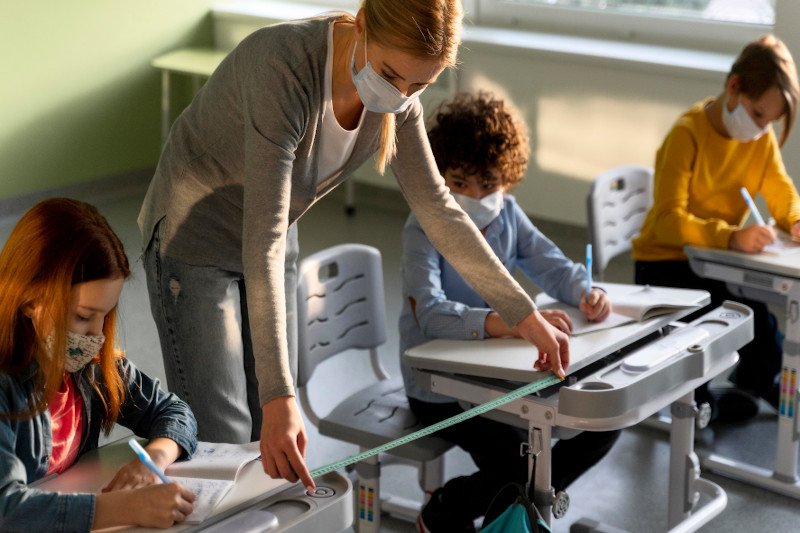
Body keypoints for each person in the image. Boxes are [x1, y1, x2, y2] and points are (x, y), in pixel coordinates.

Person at [138, 0, 571, 490]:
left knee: (275, 428)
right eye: (390, 74)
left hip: (274, 233)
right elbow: (261, 243)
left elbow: (440, 212)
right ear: (361, 22)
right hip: (197, 237)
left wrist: (524, 315)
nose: (400, 95)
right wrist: (279, 395)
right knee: (226, 432)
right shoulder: (283, 68)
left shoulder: (398, 98)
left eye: (420, 85)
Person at [398, 92, 620, 532]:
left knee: (601, 423)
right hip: (439, 390)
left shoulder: (509, 216)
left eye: (489, 184)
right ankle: (447, 508)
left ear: (508, 180)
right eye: (459, 182)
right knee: (523, 463)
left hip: (497, 377)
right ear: (439, 177)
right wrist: (515, 324)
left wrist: (586, 290)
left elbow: (552, 265)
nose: (474, 197)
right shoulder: (422, 226)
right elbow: (431, 314)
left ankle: (521, 511)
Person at [0, 198, 198, 532]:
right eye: (82, 316)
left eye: (104, 317)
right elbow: (6, 509)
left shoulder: (89, 365)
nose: (96, 336)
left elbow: (174, 412)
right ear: (29, 299)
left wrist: (152, 462)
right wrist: (124, 509)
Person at [632, 35, 800, 422]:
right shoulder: (687, 133)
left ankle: (754, 381)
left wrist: (792, 218)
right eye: (758, 114)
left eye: (770, 122)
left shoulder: (760, 138)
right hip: (664, 265)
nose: (762, 129)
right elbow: (667, 221)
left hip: (712, 262)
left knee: (762, 326)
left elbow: (779, 188)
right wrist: (729, 237)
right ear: (734, 86)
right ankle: (705, 404)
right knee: (708, 330)